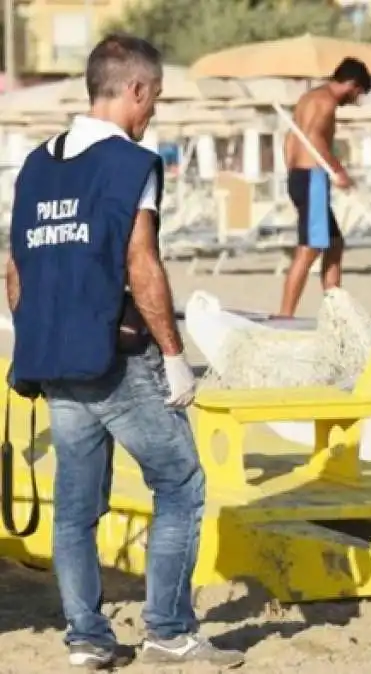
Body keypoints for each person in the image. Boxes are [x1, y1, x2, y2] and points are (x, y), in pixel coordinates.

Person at [5, 34, 244, 670]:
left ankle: (87, 638)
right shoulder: (130, 164)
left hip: (54, 366)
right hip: (118, 362)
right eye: (155, 98)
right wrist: (173, 354)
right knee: (182, 482)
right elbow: (142, 263)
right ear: (135, 89)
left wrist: (36, 337)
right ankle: (167, 628)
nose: (153, 112)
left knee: (77, 510)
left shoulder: (35, 165)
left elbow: (14, 272)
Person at [277, 57, 371, 317]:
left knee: (334, 243)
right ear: (351, 84)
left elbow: (290, 139)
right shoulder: (327, 102)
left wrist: (293, 169)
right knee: (309, 249)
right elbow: (315, 137)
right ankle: (285, 315)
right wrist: (338, 172)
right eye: (358, 93)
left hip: (300, 175)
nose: (356, 99)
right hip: (312, 178)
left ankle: (336, 312)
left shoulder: (309, 98)